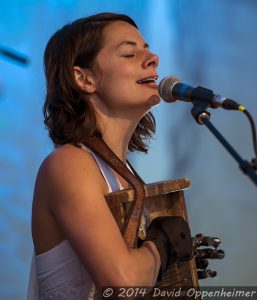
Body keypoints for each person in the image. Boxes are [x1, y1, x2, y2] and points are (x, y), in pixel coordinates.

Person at [27, 12, 193, 300]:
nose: (153, 57)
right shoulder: (70, 164)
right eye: (129, 53)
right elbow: (122, 282)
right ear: (84, 79)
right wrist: (160, 247)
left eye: (147, 48)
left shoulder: (120, 171)